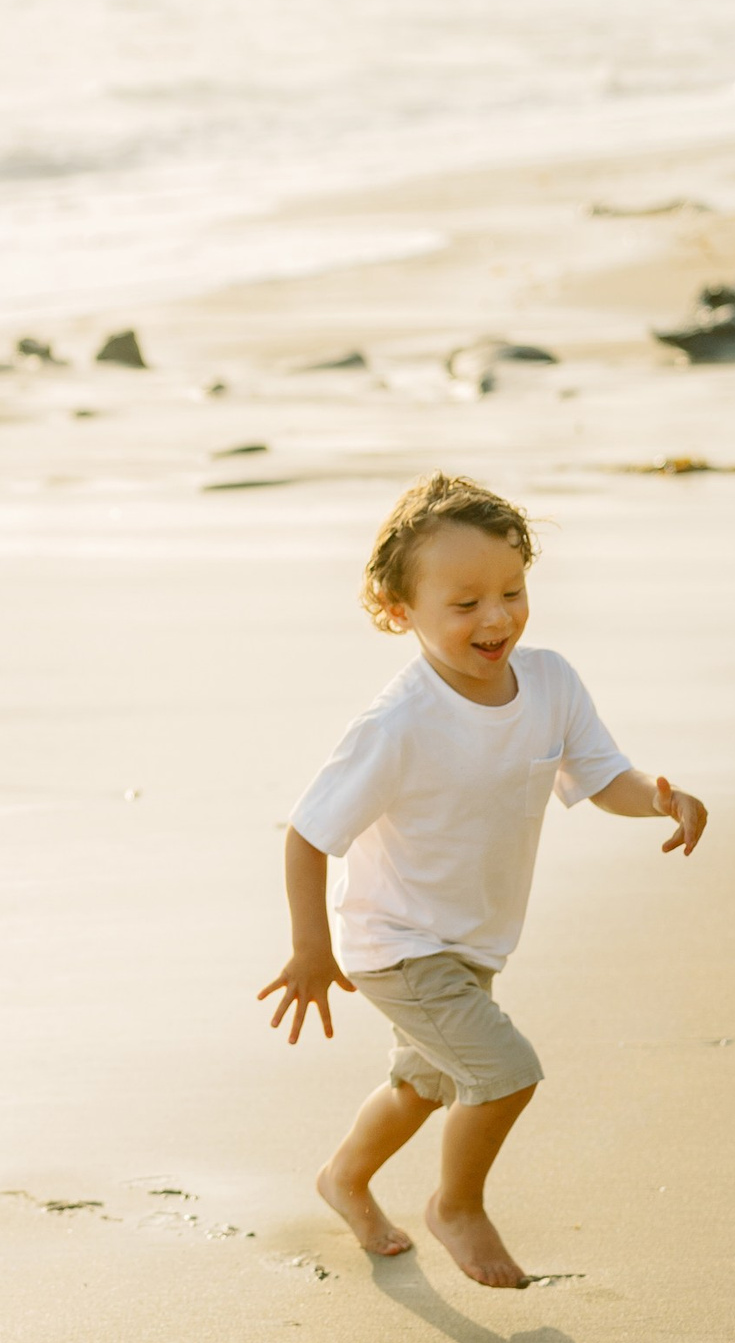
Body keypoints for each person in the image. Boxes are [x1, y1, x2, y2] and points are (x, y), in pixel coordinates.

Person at [260, 474, 706, 1289]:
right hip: (397, 941)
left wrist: (659, 799)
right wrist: (310, 950)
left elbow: (603, 775)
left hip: (473, 938)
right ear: (399, 610)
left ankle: (343, 1179)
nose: (496, 618)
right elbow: (308, 833)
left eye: (511, 592)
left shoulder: (551, 683)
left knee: (424, 1083)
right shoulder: (399, 724)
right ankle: (456, 1205)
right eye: (465, 604)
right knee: (504, 1074)